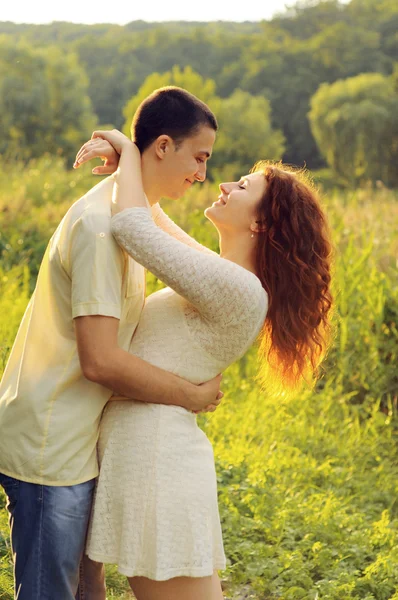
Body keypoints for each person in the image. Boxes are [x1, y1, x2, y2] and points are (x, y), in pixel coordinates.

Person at [72, 125, 333, 600]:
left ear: (260, 224)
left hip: (156, 463)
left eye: (243, 187)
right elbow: (150, 215)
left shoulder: (239, 290)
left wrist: (127, 146)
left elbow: (132, 229)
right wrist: (132, 159)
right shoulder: (226, 277)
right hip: (149, 456)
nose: (223, 185)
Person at [0, 87, 224, 600]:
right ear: (163, 146)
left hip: (82, 443)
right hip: (50, 448)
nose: (202, 174)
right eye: (200, 157)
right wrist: (188, 395)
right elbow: (99, 360)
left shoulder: (132, 218)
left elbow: (209, 273)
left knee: (87, 589)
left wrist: (126, 152)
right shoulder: (104, 228)